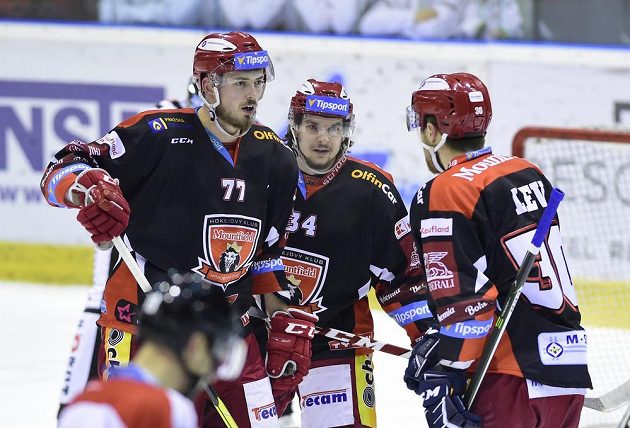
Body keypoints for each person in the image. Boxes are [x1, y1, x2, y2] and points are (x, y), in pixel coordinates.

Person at [41, 31, 318, 427]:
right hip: (142, 327)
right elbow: (61, 168)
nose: (253, 94)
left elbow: (267, 256)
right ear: (208, 85)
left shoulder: (276, 158)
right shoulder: (157, 134)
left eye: (259, 82)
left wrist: (280, 319)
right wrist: (85, 188)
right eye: (241, 83)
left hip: (230, 331)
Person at [403, 72, 592, 428]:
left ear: (431, 130)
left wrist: (446, 367)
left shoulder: (444, 190)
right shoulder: (527, 171)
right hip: (566, 374)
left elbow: (466, 305)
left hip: (504, 376)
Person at [272, 78, 435, 427]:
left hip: (337, 341)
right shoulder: (264, 170)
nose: (323, 138)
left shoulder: (372, 190)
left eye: (334, 128)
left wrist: (425, 336)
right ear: (295, 125)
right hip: (258, 336)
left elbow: (402, 276)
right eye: (313, 126)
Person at [56, 78, 205, 415]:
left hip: (198, 296)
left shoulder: (248, 141)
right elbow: (72, 170)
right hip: (131, 284)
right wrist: (86, 191)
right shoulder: (160, 124)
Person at [58, 275, 247, 428]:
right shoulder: (171, 408)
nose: (212, 371)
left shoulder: (85, 398)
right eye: (216, 349)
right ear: (196, 347)